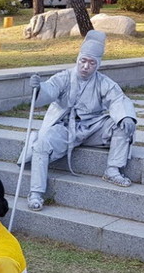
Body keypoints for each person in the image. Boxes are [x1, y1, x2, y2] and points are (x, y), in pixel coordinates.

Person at [23, 30, 137, 211]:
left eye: (91, 63)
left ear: (97, 65)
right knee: (42, 144)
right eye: (83, 60)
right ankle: (36, 193)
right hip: (65, 128)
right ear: (78, 59)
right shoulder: (64, 77)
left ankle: (113, 169)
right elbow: (50, 89)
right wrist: (38, 88)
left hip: (92, 128)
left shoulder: (103, 82)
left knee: (123, 124)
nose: (85, 66)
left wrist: (126, 116)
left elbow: (117, 100)